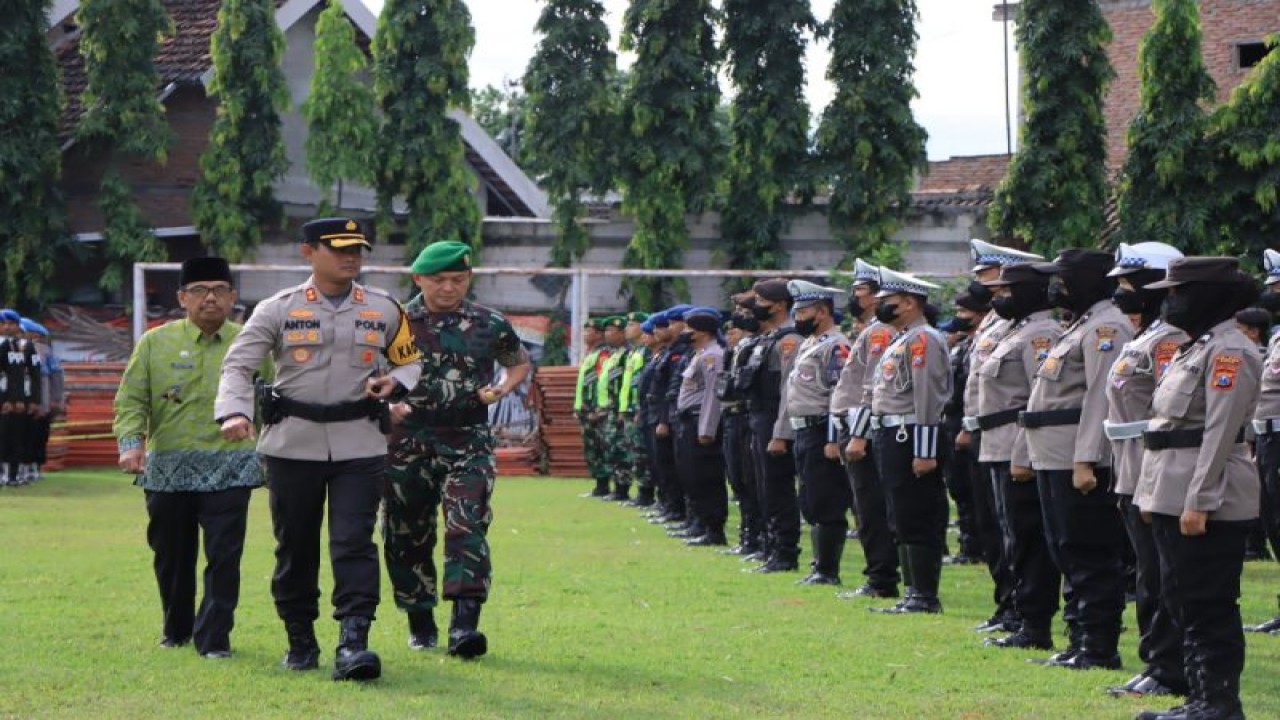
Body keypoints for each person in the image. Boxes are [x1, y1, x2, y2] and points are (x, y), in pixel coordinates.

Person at [215, 218, 423, 681]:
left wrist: (397, 382)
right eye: (339, 249)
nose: (352, 258)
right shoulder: (277, 308)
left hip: (360, 444)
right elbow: (237, 366)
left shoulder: (385, 308)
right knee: (296, 546)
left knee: (354, 542)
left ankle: (354, 643)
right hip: (293, 445)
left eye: (359, 250)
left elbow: (410, 361)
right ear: (309, 252)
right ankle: (300, 638)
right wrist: (235, 412)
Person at [383, 240, 532, 659]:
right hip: (407, 441)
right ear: (418, 279)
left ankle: (464, 627)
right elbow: (365, 370)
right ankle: (421, 621)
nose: (449, 287)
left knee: (468, 525)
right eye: (439, 279)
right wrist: (385, 404)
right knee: (406, 531)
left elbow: (517, 362)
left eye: (458, 279)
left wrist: (501, 388)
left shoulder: (489, 322)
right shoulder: (394, 322)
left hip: (468, 439)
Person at [113, 257, 265, 659]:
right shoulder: (154, 343)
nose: (210, 298)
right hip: (168, 470)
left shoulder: (252, 342)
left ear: (233, 296)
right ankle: (176, 628)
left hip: (231, 465)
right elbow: (131, 399)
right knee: (172, 556)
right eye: (199, 290)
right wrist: (131, 443)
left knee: (224, 555)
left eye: (219, 289)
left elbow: (270, 398)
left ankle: (215, 639)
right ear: (182, 297)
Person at [1133, 257, 1261, 720]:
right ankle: (1199, 698)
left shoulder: (1231, 352)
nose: (1170, 301)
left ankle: (1219, 703)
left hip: (1208, 494)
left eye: (1179, 292)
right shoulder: (1196, 347)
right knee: (1181, 597)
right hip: (1170, 487)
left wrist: (1199, 500)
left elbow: (1220, 433)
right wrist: (1150, 495)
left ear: (1208, 295)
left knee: (1208, 603)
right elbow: (1166, 428)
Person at [1023, 248, 1133, 669]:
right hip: (1053, 454)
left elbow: (1099, 399)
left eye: (1063, 279)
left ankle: (1098, 646)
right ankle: (1078, 637)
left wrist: (1087, 459)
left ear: (1087, 280)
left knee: (1089, 552)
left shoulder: (1107, 328)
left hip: (1077, 458)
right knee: (1065, 550)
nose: (1055, 288)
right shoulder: (1080, 326)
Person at [1101, 242, 1189, 698]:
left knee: (1160, 573)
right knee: (1146, 573)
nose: (1121, 295)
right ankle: (1155, 659)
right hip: (1130, 466)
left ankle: (1168, 666)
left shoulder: (1171, 339)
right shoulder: (1145, 336)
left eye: (1129, 286)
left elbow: (1170, 408)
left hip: (1155, 466)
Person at [852, 268, 951, 614]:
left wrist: (925, 452)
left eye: (887, 302)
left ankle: (924, 595)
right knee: (899, 515)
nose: (879, 308)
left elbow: (929, 398)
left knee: (916, 513)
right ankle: (913, 592)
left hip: (909, 435)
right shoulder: (901, 339)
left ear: (908, 303)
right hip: (890, 432)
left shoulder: (924, 339)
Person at [974, 262, 1062, 650]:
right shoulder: (1015, 330)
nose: (999, 298)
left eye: (1008, 291)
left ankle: (1034, 622)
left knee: (1027, 536)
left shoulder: (1042, 334)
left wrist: (1023, 453)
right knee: (1007, 535)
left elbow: (1036, 398)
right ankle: (1014, 611)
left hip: (1017, 443)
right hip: (996, 441)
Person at [959, 239, 1043, 634]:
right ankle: (1006, 604)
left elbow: (1034, 394)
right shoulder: (999, 323)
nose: (994, 293)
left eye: (1000, 285)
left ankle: (1022, 611)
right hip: (988, 434)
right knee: (995, 528)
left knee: (1018, 531)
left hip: (1012, 436)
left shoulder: (1034, 330)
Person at [833, 260, 900, 599]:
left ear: (876, 296)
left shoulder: (879, 332)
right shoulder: (872, 328)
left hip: (866, 429)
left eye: (859, 290)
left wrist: (857, 434)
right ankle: (878, 574)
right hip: (857, 425)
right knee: (865, 508)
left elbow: (871, 389)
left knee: (871, 508)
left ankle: (881, 578)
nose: (854, 296)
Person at [783, 280, 852, 585]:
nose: (797, 318)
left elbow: (839, 394)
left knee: (826, 500)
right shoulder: (811, 344)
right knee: (810, 499)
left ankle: (828, 569)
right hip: (803, 431)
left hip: (821, 430)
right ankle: (818, 565)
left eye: (803, 311)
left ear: (823, 312)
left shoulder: (837, 346)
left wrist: (833, 439)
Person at [740, 279, 803, 573]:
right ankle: (769, 546)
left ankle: (785, 552)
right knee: (761, 486)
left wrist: (780, 432)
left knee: (777, 488)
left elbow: (787, 390)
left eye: (759, 300)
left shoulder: (789, 340)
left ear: (779, 305)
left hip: (773, 419)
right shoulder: (770, 338)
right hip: (758, 417)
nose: (754, 307)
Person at [1245, 247, 1280, 633]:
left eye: (1277, 286)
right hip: (1269, 439)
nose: (1272, 292)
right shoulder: (1276, 336)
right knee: (1274, 523)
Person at [673, 307, 728, 546]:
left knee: (706, 477)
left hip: (700, 421)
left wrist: (706, 429)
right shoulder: (700, 354)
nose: (685, 332)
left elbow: (713, 395)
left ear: (702, 332)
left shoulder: (712, 356)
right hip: (689, 420)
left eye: (689, 328)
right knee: (692, 476)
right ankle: (701, 525)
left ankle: (714, 530)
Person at [719, 294, 763, 555]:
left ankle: (760, 539)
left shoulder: (761, 344)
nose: (739, 316)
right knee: (738, 480)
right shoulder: (738, 348)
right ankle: (748, 537)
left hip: (749, 418)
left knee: (753, 482)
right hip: (734, 417)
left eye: (745, 311)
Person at [0, 309, 41, 486]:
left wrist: (31, 400)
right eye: (4, 324)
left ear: (17, 326)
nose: (7, 327)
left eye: (11, 324)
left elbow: (32, 375)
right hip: (3, 398)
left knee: (16, 437)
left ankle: (13, 475)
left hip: (15, 400)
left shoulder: (24, 347)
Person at [23, 319, 63, 482]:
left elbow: (50, 378)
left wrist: (52, 401)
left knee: (37, 435)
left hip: (38, 401)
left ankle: (33, 467)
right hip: (24, 400)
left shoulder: (41, 351)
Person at [574, 318, 610, 498]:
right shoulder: (590, 354)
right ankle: (599, 486)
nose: (585, 334)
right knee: (591, 449)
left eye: (589, 331)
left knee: (599, 447)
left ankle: (604, 485)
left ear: (599, 334)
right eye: (585, 330)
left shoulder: (603, 354)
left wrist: (598, 409)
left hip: (596, 410)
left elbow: (603, 383)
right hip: (586, 409)